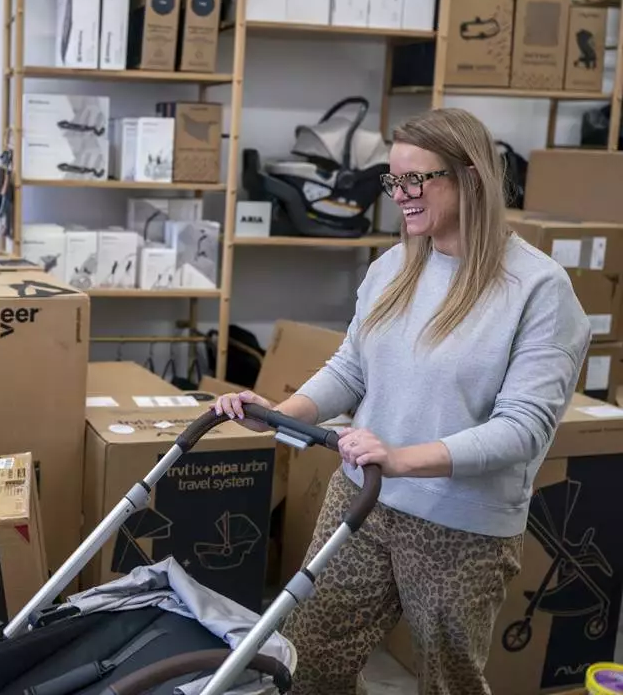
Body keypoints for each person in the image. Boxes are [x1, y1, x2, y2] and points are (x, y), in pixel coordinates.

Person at [214, 108, 591, 695]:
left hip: (461, 528)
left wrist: (403, 457)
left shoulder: (539, 290)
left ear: (470, 177)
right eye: (394, 180)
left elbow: (524, 430)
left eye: (417, 180)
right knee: (309, 659)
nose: (401, 195)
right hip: (361, 499)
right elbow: (352, 368)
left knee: (448, 682)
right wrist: (283, 415)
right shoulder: (393, 265)